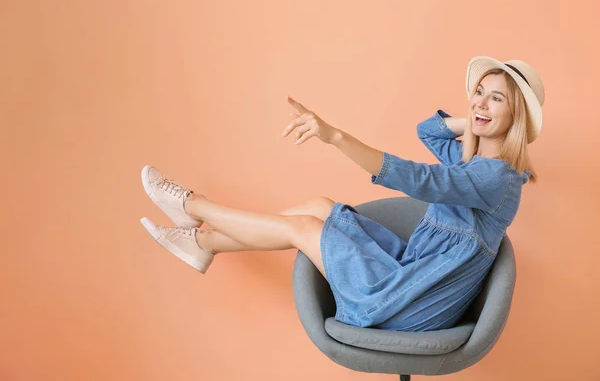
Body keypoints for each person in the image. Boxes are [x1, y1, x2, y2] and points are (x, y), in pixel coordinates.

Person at [140, 55, 545, 332]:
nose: (482, 103)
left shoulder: (498, 178)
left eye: (498, 99)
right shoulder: (467, 160)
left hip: (406, 302)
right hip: (405, 272)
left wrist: (334, 136)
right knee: (319, 206)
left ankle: (192, 204)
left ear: (517, 116)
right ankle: (204, 242)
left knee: (303, 226)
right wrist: (478, 118)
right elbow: (429, 129)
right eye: (480, 92)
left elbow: (419, 178)